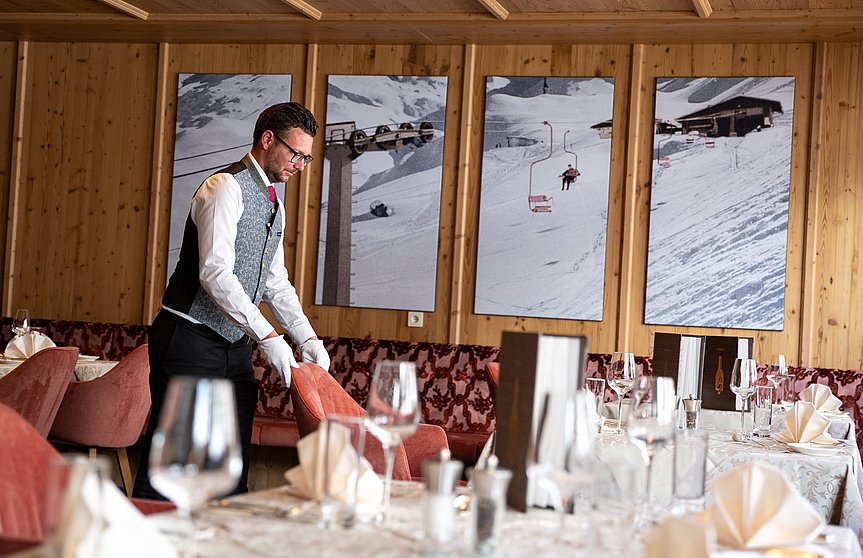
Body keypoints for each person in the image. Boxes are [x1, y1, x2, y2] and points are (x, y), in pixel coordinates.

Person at [132, 102, 331, 499]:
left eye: (307, 158)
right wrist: (269, 338)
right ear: (268, 139)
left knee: (230, 470)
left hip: (232, 348)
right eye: (296, 154)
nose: (301, 165)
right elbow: (215, 275)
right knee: (174, 468)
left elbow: (274, 281)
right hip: (187, 340)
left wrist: (307, 338)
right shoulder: (223, 188)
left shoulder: (275, 200)